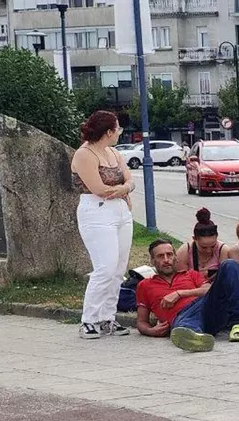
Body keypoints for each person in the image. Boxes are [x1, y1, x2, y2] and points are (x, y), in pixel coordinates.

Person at [71, 110, 136, 340]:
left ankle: (108, 316)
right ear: (108, 131)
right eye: (117, 129)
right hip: (96, 212)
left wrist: (124, 188)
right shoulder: (85, 154)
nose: (119, 133)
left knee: (118, 269)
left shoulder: (114, 153)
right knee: (105, 268)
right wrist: (123, 189)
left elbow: (130, 179)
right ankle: (89, 319)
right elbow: (98, 188)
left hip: (120, 211)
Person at [135, 239, 239, 352]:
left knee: (230, 264)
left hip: (206, 307)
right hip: (180, 317)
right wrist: (150, 331)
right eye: (160, 256)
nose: (166, 260)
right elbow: (141, 321)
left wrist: (179, 293)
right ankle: (197, 337)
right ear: (153, 261)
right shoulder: (145, 285)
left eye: (169, 255)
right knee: (183, 326)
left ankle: (238, 325)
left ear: (176, 257)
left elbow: (208, 289)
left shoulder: (191, 274)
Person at [175, 208, 236, 279]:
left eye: (213, 246)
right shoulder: (184, 252)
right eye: (203, 247)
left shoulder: (223, 250)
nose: (208, 250)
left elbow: (226, 278)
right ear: (194, 239)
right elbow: (182, 280)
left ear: (217, 237)